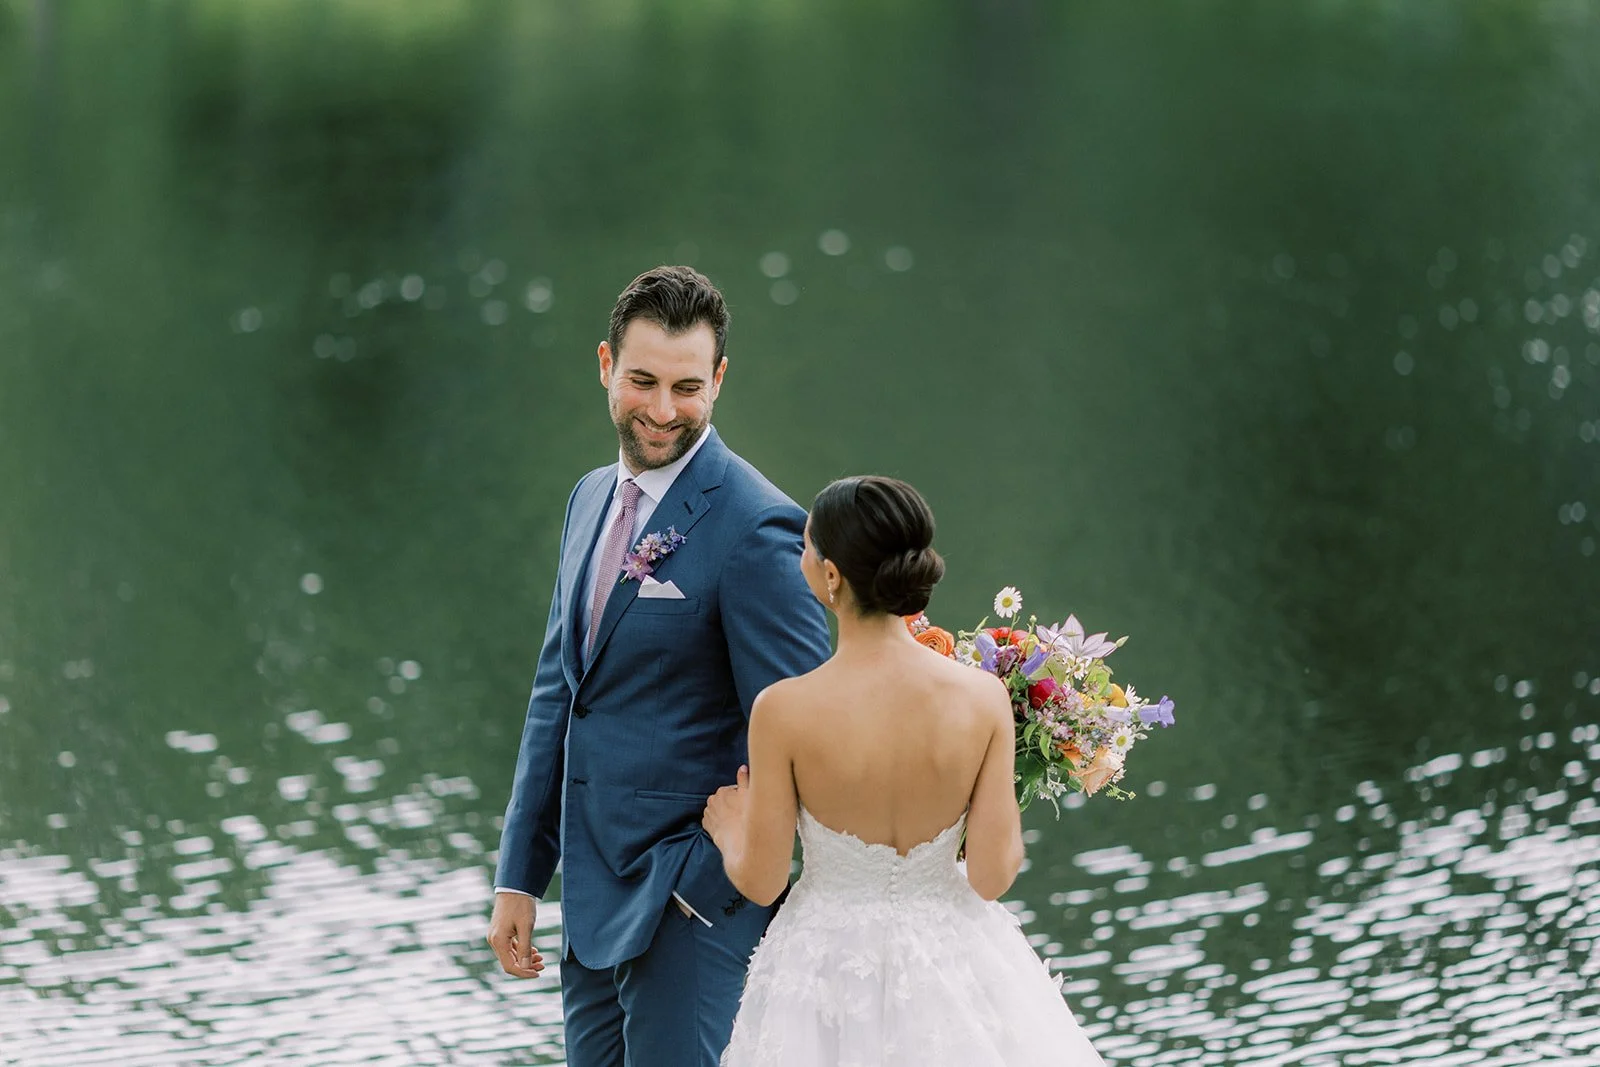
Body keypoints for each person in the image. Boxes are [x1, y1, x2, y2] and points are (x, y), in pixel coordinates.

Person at [486, 266, 832, 1067]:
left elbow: (803, 732)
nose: (662, 409)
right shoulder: (587, 500)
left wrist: (714, 875)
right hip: (591, 899)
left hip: (695, 909)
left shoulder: (758, 527)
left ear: (717, 380)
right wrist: (520, 875)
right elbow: (559, 697)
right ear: (606, 365)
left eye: (686, 386)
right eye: (643, 380)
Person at [704, 476, 1108, 1065]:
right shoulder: (983, 697)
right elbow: (992, 876)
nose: (802, 557)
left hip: (824, 965)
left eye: (806, 546)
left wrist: (729, 829)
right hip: (956, 961)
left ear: (832, 575)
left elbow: (763, 881)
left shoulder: (783, 710)